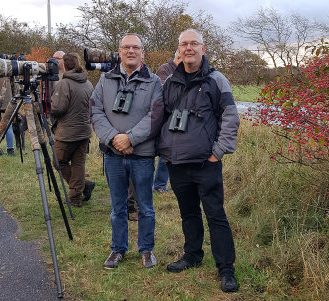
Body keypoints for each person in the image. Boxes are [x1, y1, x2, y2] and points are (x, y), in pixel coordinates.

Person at [157, 29, 240, 293]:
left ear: (203, 49)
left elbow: (230, 117)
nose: (189, 48)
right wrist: (165, 152)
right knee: (189, 213)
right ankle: (192, 255)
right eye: (184, 44)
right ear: (179, 50)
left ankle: (226, 268)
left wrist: (218, 152)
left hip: (206, 163)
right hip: (177, 163)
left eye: (194, 43)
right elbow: (161, 117)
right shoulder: (169, 82)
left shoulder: (217, 80)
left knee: (215, 215)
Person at [91, 33, 163, 269]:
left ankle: (146, 250)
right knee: (117, 207)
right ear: (119, 52)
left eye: (135, 47)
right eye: (126, 47)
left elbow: (155, 116)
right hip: (113, 155)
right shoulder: (104, 80)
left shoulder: (153, 82)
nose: (131, 51)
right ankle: (117, 249)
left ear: (143, 52)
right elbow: (96, 111)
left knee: (145, 206)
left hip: (141, 156)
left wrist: (130, 138)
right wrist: (114, 139)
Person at [51, 52, 95, 208]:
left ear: (64, 65)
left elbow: (57, 108)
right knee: (78, 165)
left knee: (57, 162)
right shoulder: (88, 83)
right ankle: (76, 197)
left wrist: (50, 103)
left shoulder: (64, 84)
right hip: (84, 131)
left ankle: (82, 187)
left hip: (67, 133)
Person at [153, 50, 182, 192]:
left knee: (173, 150)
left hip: (179, 115)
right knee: (166, 150)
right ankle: (159, 185)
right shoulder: (164, 69)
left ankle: (164, 183)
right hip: (165, 115)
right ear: (178, 57)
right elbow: (164, 90)